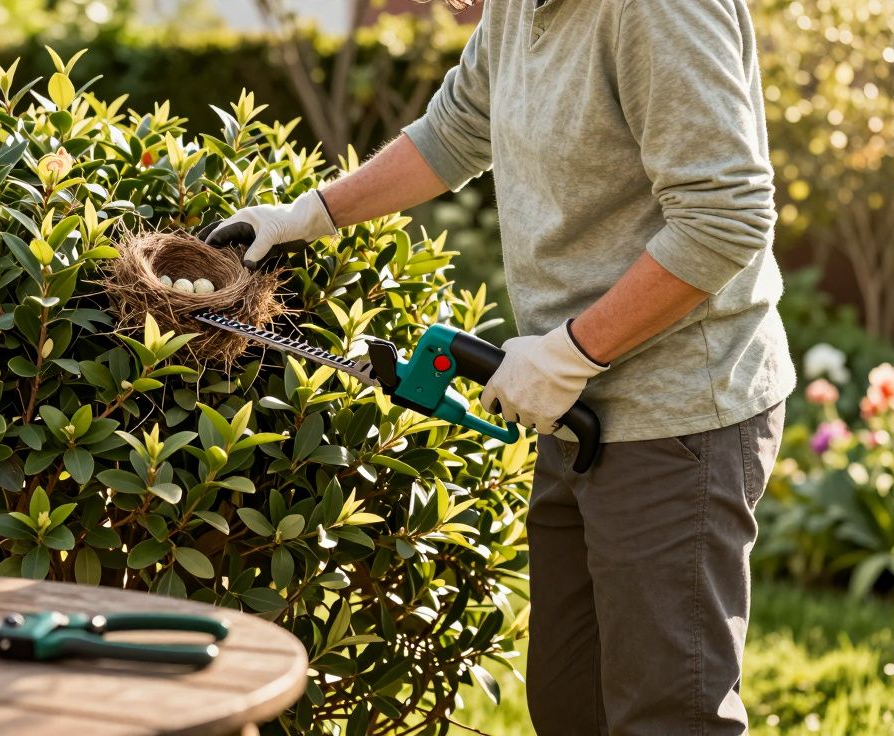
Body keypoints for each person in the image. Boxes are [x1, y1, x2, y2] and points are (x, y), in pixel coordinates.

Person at [204, 0, 795, 733]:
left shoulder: (657, 10)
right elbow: (455, 130)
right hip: (570, 403)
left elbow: (726, 216)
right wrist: (311, 213)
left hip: (676, 415)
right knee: (567, 704)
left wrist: (573, 350)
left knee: (667, 716)